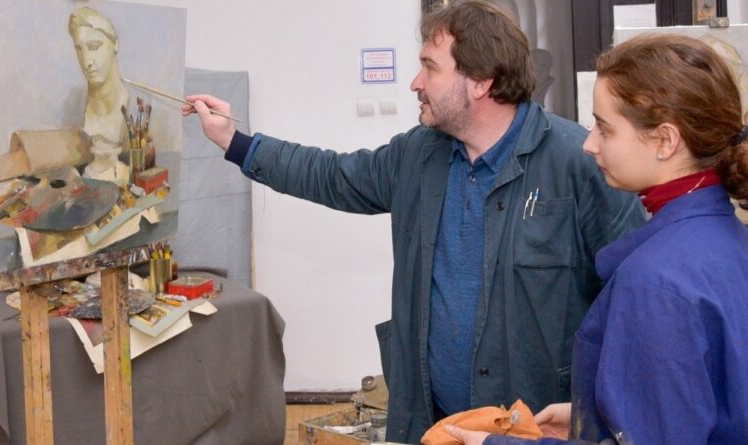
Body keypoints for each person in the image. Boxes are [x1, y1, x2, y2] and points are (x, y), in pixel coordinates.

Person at [184, 1, 644, 442]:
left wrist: (603, 409)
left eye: (430, 67)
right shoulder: (417, 155)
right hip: (429, 423)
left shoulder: (578, 162)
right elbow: (331, 175)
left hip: (532, 430)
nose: (415, 83)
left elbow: (632, 303)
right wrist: (234, 141)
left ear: (480, 82)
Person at [446, 33, 748, 445]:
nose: (589, 144)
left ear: (665, 140)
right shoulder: (727, 239)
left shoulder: (656, 281)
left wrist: (495, 443)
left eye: (605, 128)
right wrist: (595, 414)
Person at [68, 6, 130, 184]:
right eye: (79, 49)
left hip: (114, 175)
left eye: (94, 47)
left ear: (115, 44)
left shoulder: (122, 101)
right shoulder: (89, 105)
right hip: (92, 174)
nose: (86, 61)